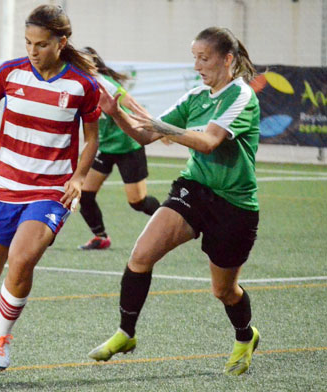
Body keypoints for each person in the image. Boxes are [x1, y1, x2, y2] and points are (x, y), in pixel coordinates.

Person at [88, 27, 261, 376]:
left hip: (235, 205)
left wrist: (163, 127)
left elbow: (209, 141)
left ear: (227, 59)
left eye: (204, 58)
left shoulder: (241, 96)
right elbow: (144, 135)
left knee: (223, 291)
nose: (197, 65)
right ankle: (126, 333)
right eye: (194, 57)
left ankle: (245, 335)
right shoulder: (196, 96)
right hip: (193, 189)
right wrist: (116, 112)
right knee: (140, 255)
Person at [0, 5, 100, 377]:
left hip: (49, 191)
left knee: (22, 258)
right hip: (2, 189)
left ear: (62, 43)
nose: (33, 50)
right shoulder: (9, 73)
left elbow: (92, 140)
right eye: (28, 42)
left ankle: (2, 336)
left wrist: (78, 178)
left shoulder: (82, 85)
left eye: (42, 44)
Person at [74, 47, 160, 250]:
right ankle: (100, 236)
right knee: (85, 194)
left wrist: (156, 128)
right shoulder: (77, 85)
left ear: (94, 64)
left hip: (128, 145)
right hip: (105, 148)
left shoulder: (105, 84)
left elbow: (134, 105)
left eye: (82, 63)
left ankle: (176, 220)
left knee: (137, 202)